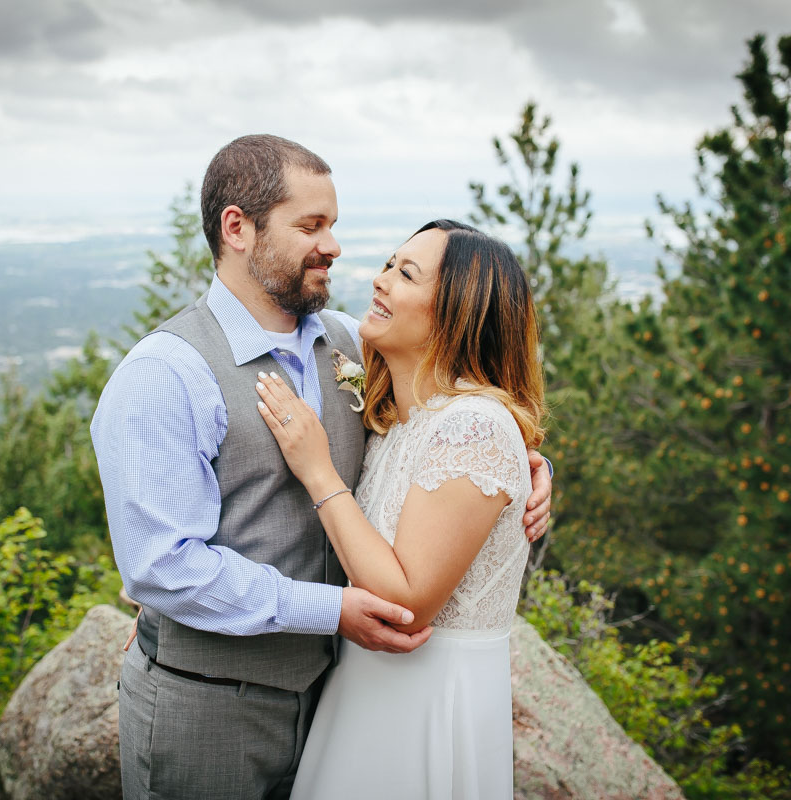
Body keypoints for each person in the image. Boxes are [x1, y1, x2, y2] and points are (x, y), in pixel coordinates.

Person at [90, 136, 553, 799]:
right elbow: (160, 565)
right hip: (211, 709)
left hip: (335, 697)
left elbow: (442, 433)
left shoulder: (345, 343)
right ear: (237, 228)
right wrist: (331, 609)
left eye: (332, 224)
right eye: (311, 226)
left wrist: (525, 466)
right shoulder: (165, 373)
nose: (334, 246)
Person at [252, 219, 545, 798]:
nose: (380, 281)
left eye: (405, 274)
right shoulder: (397, 421)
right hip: (363, 688)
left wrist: (317, 470)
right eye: (389, 265)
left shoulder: (474, 427)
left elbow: (406, 603)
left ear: (457, 313)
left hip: (427, 701)